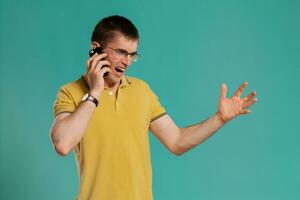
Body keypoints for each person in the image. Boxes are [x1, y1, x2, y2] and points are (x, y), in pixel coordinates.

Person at [50, 15, 257, 200]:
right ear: (96, 48)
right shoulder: (71, 92)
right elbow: (63, 144)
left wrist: (219, 119)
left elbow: (177, 141)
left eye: (132, 54)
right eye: (121, 52)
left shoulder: (141, 91)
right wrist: (95, 93)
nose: (127, 61)